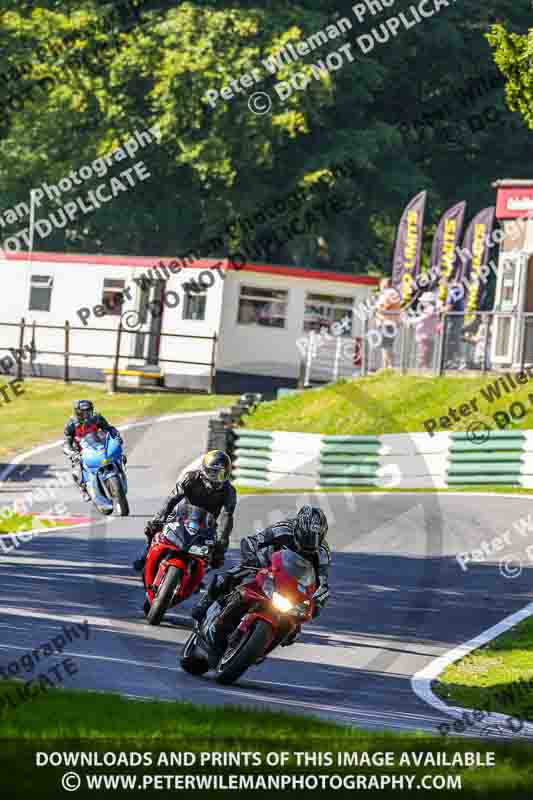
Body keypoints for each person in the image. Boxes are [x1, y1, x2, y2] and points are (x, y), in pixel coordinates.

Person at [191, 505, 331, 646]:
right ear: (298, 528)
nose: (308, 545)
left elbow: (322, 581)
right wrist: (251, 557)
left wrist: (319, 599)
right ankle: (206, 602)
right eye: (305, 538)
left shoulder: (323, 552)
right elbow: (253, 541)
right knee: (227, 577)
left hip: (292, 585)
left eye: (314, 540)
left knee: (293, 632)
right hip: (266, 566)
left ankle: (263, 644)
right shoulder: (282, 529)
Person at [134, 450, 236, 571]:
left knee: (215, 557)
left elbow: (226, 518)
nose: (217, 478)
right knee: (153, 530)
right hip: (184, 516)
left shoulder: (229, 491)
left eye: (221, 474)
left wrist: (221, 544)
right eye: (213, 472)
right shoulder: (190, 478)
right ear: (204, 469)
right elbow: (172, 499)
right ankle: (146, 555)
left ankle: (198, 575)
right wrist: (158, 519)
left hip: (207, 525)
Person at [63, 400, 124, 501]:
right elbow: (66, 441)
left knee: (119, 454)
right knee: (76, 471)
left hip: (99, 446)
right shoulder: (71, 424)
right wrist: (71, 452)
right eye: (84, 412)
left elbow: (109, 429)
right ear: (78, 413)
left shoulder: (97, 418)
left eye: (89, 411)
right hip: (82, 451)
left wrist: (116, 436)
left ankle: (120, 470)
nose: (87, 415)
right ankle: (83, 489)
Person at [375, 278, 402, 370]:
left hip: (387, 323)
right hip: (391, 322)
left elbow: (384, 307)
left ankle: (389, 366)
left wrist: (377, 308)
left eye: (381, 285)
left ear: (385, 285)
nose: (380, 287)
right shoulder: (394, 293)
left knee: (387, 345)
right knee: (386, 345)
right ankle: (385, 366)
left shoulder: (389, 293)